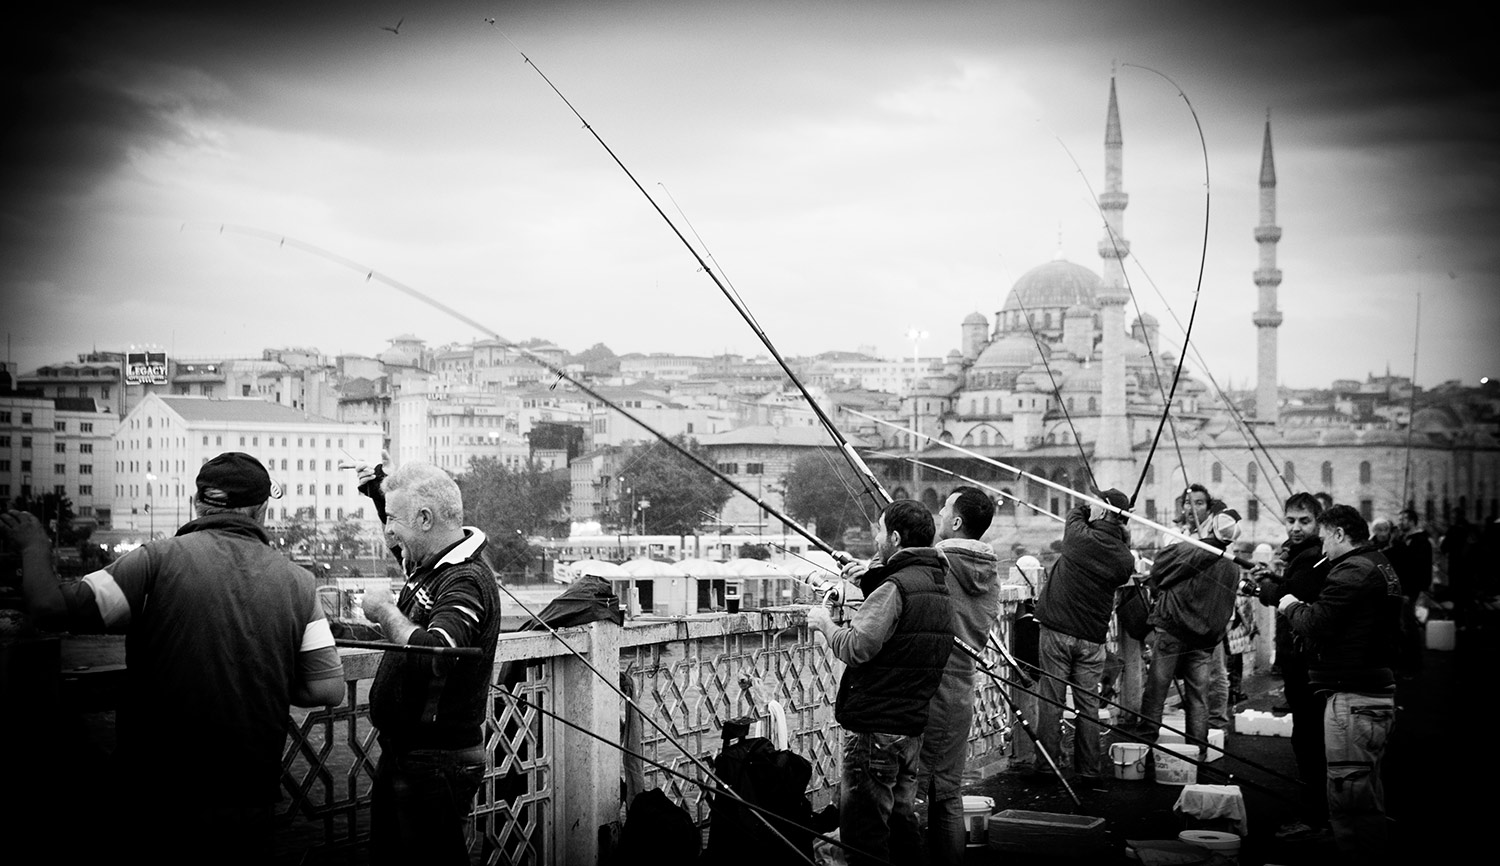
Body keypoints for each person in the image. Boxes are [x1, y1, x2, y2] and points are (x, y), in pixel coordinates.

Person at [2, 452, 346, 865]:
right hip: (249, 798)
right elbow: (328, 688)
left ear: (196, 504)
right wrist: (256, 670)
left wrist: (34, 546)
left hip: (157, 798)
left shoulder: (153, 562)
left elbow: (48, 607)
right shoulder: (300, 583)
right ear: (261, 510)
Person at [363, 462, 502, 865]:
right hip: (411, 756)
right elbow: (402, 541)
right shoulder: (430, 566)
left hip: (435, 764)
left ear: (424, 519)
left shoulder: (466, 580)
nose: (388, 531)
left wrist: (386, 611)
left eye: (393, 519)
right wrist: (377, 491)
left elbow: (436, 653)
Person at [807, 499, 953, 866]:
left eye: (879, 529)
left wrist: (824, 623)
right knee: (902, 826)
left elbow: (858, 647)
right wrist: (874, 577)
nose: (875, 538)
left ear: (896, 537)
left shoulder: (896, 588)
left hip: (875, 732)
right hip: (910, 728)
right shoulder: (937, 583)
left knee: (864, 833)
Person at [1278, 504, 1403, 863]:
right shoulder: (1381, 564)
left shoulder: (1352, 570)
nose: (1323, 551)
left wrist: (1289, 605)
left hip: (1354, 696)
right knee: (1366, 793)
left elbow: (1316, 622)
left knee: (1349, 796)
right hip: (1375, 692)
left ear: (1337, 533)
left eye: (1324, 540)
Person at [919, 487, 1001, 866]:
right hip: (962, 689)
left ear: (955, 521)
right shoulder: (991, 572)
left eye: (943, 507)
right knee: (948, 794)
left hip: (929, 688)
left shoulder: (937, 564)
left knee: (917, 792)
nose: (937, 512)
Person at [1031, 488, 1136, 780]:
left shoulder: (1078, 536)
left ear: (1101, 511)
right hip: (1092, 638)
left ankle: (1047, 767)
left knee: (1052, 700)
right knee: (1088, 705)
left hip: (1057, 631)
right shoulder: (1125, 559)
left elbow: (1075, 512)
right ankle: (1089, 770)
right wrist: (1119, 523)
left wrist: (1095, 510)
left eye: (1096, 502)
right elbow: (1118, 550)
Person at [1254, 491, 1332, 841]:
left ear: (1319, 523)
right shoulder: (1303, 555)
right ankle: (1319, 812)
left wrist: (1266, 586)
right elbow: (1288, 586)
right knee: (1309, 737)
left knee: (1309, 739)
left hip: (1306, 663)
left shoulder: (1313, 558)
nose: (1296, 528)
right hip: (1299, 659)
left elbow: (1288, 595)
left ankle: (1316, 817)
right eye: (1291, 521)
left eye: (1304, 521)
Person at [1134, 511, 1242, 754]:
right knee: (1198, 698)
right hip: (1204, 640)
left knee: (1156, 690)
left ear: (1212, 528)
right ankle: (1197, 751)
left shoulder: (1192, 549)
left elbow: (1159, 572)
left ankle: (1143, 747)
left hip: (1173, 630)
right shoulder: (1233, 567)